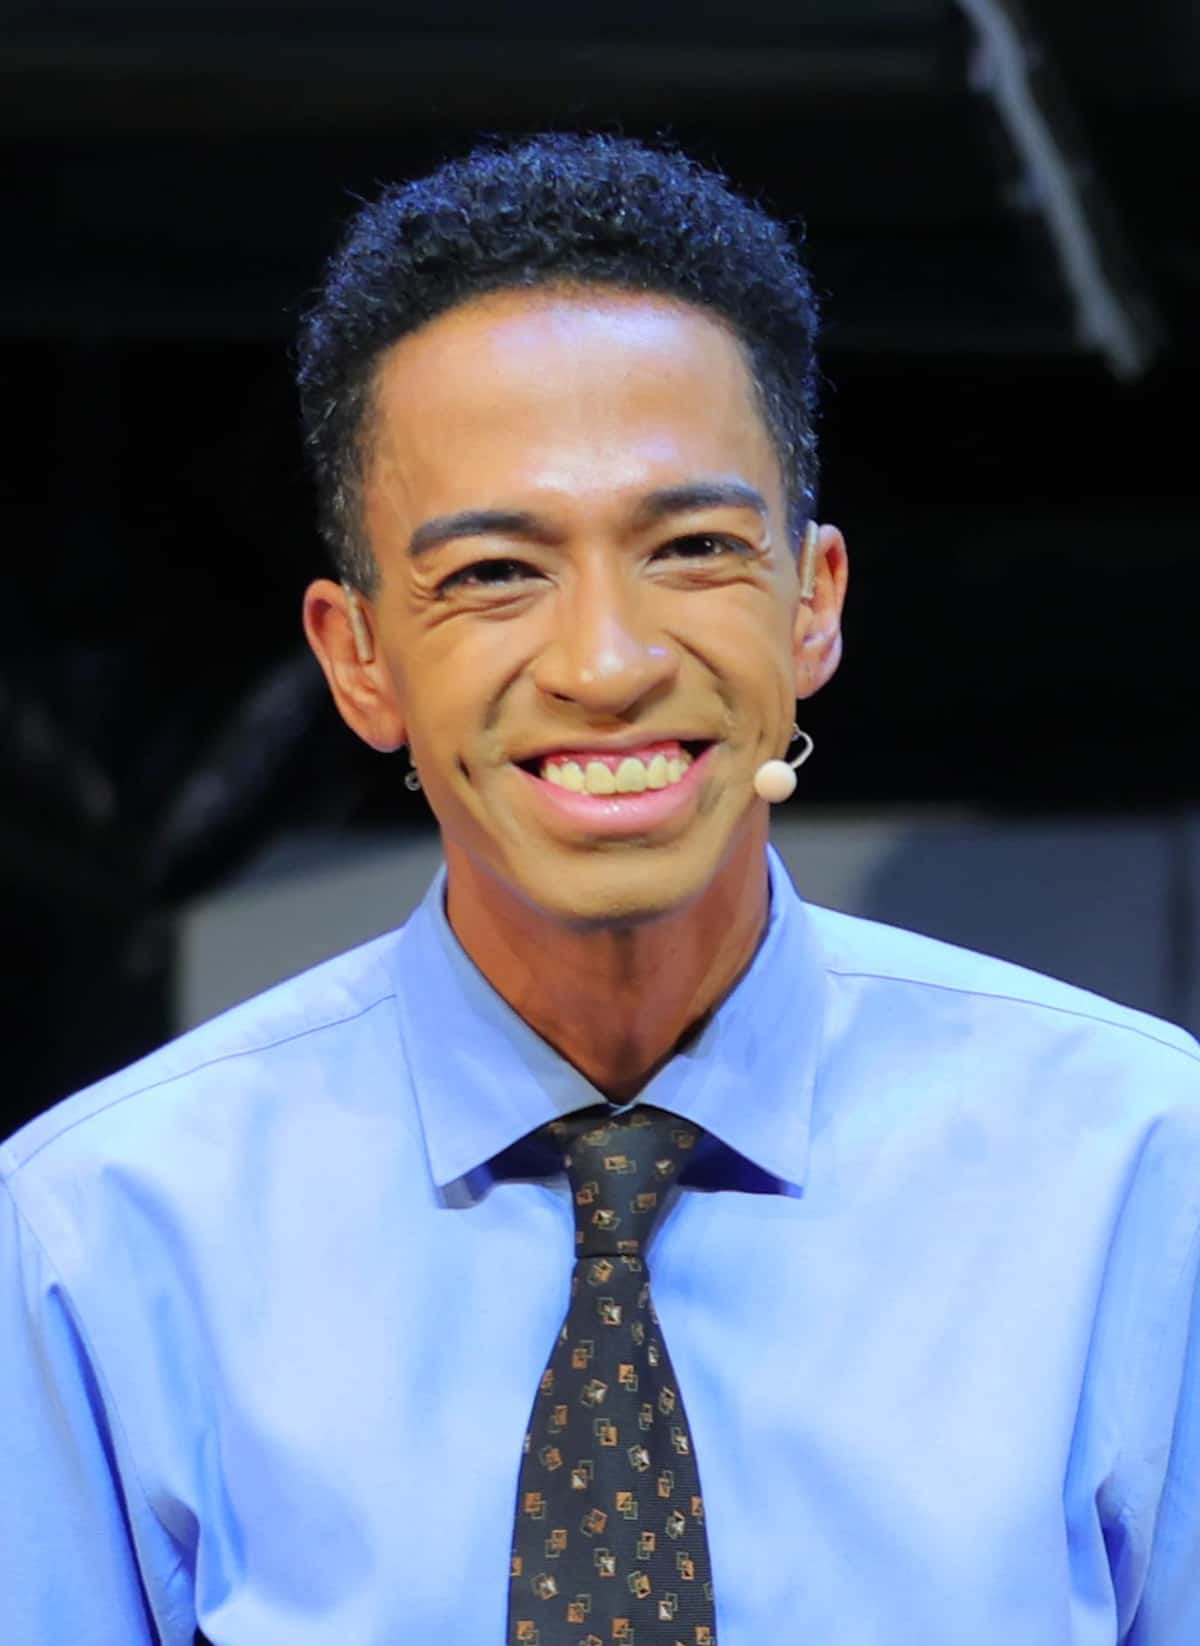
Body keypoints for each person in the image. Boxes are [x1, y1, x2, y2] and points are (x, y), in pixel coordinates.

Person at [2, 133, 1197, 1646]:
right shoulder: (101, 1233)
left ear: (812, 603)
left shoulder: (1145, 1175)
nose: (608, 663)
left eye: (692, 547)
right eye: (495, 573)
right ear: (357, 659)